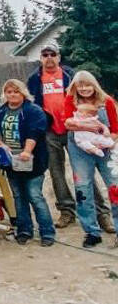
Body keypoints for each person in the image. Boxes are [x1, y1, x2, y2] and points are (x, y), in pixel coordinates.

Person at [27, 42, 111, 231]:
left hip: (75, 129)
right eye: (45, 54)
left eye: (52, 54)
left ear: (58, 57)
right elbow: (31, 104)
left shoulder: (69, 75)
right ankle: (67, 210)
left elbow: (85, 95)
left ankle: (101, 213)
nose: (49, 58)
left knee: (83, 173)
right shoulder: (34, 79)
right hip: (49, 131)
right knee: (56, 173)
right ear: (41, 57)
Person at [0, 79, 56, 247]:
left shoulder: (33, 111)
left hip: (33, 161)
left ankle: (47, 231)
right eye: (9, 92)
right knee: (18, 196)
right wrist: (1, 144)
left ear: (23, 93)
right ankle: (24, 230)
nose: (12, 95)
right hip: (11, 162)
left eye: (16, 91)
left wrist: (27, 150)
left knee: (35, 195)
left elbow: (36, 132)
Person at [62, 71, 118, 247]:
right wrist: (86, 127)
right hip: (80, 149)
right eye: (80, 85)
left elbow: (115, 128)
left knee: (114, 186)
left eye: (88, 85)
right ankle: (92, 231)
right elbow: (67, 123)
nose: (84, 88)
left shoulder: (106, 101)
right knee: (83, 188)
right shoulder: (70, 101)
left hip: (105, 149)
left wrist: (107, 141)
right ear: (75, 87)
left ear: (94, 85)